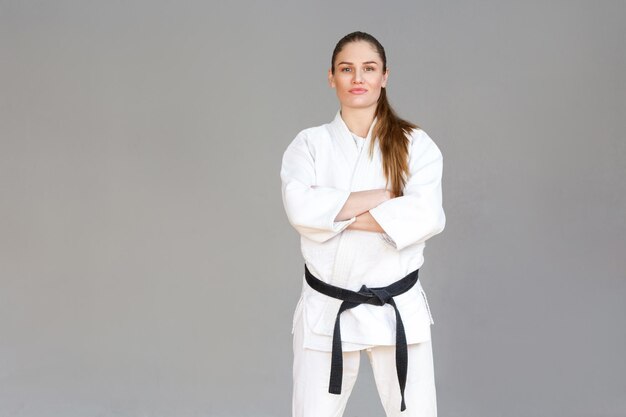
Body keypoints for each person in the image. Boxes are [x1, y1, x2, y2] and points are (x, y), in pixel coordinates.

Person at [280, 31, 446, 417]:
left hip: (397, 307)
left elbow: (425, 216)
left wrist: (334, 213)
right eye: (346, 69)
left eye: (368, 68)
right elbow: (300, 210)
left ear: (384, 76)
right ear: (331, 77)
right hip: (327, 307)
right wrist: (387, 198)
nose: (358, 78)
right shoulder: (308, 145)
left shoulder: (415, 144)